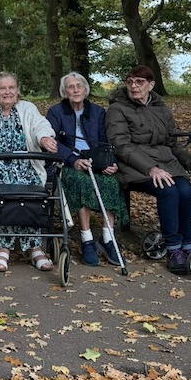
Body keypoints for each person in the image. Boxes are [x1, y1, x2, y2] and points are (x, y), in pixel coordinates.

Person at [105, 65, 191, 275]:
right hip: (135, 166)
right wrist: (151, 168)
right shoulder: (117, 109)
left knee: (186, 190)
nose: (133, 86)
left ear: (151, 85)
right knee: (168, 191)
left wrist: (190, 163)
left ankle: (187, 246)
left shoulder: (161, 108)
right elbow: (121, 146)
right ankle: (173, 249)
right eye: (130, 81)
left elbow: (173, 142)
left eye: (139, 82)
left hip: (166, 164)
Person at [0, 71, 59, 272]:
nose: (7, 92)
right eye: (2, 88)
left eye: (11, 88)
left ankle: (34, 247)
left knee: (30, 186)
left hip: (27, 163)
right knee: (8, 186)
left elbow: (40, 125)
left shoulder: (28, 108)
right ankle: (4, 247)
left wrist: (44, 138)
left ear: (18, 90)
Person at [46, 72, 129, 268]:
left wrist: (109, 162)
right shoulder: (56, 112)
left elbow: (105, 141)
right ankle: (87, 239)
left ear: (85, 89)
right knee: (81, 182)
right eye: (70, 86)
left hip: (95, 162)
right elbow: (53, 142)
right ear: (64, 91)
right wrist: (73, 160)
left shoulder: (98, 112)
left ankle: (108, 239)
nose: (75, 90)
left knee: (111, 182)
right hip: (68, 163)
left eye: (79, 86)